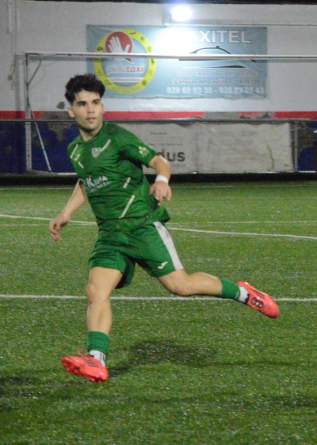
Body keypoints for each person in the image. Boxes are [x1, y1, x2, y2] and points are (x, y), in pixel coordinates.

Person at [49, 74, 280, 384]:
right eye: (82, 104)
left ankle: (244, 293)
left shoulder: (118, 138)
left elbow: (159, 162)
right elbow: (86, 181)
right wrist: (66, 213)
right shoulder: (75, 150)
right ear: (71, 111)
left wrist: (161, 181)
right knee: (96, 291)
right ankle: (96, 360)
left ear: (102, 106)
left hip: (142, 226)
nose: (90, 110)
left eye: (96, 102)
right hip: (110, 236)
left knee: (180, 286)